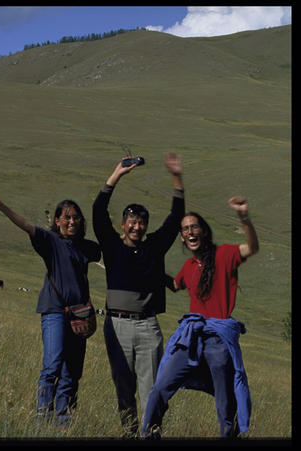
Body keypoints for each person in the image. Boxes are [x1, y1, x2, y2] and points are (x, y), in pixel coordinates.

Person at [141, 197, 258, 439]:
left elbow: (251, 247)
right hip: (191, 337)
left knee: (226, 402)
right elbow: (174, 285)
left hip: (218, 339)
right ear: (182, 238)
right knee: (160, 387)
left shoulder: (225, 255)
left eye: (194, 226)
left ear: (203, 231)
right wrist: (148, 267)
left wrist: (244, 217)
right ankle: (148, 434)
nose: (189, 231)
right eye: (185, 229)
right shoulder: (189, 265)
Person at [0, 188, 101, 426]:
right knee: (52, 365)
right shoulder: (50, 241)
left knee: (72, 373)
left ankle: (63, 423)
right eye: (66, 217)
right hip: (55, 312)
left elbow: (111, 246)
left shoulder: (86, 247)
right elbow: (26, 225)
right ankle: (42, 419)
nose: (71, 221)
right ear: (57, 221)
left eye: (75, 217)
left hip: (78, 316)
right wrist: (1, 206)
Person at [92, 152, 185, 437]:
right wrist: (117, 174)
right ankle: (129, 432)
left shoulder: (154, 247)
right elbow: (98, 210)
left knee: (151, 387)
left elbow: (175, 217)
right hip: (116, 325)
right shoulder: (111, 244)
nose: (136, 226)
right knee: (123, 384)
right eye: (131, 221)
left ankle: (150, 433)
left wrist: (177, 177)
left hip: (147, 326)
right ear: (123, 224)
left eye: (141, 222)